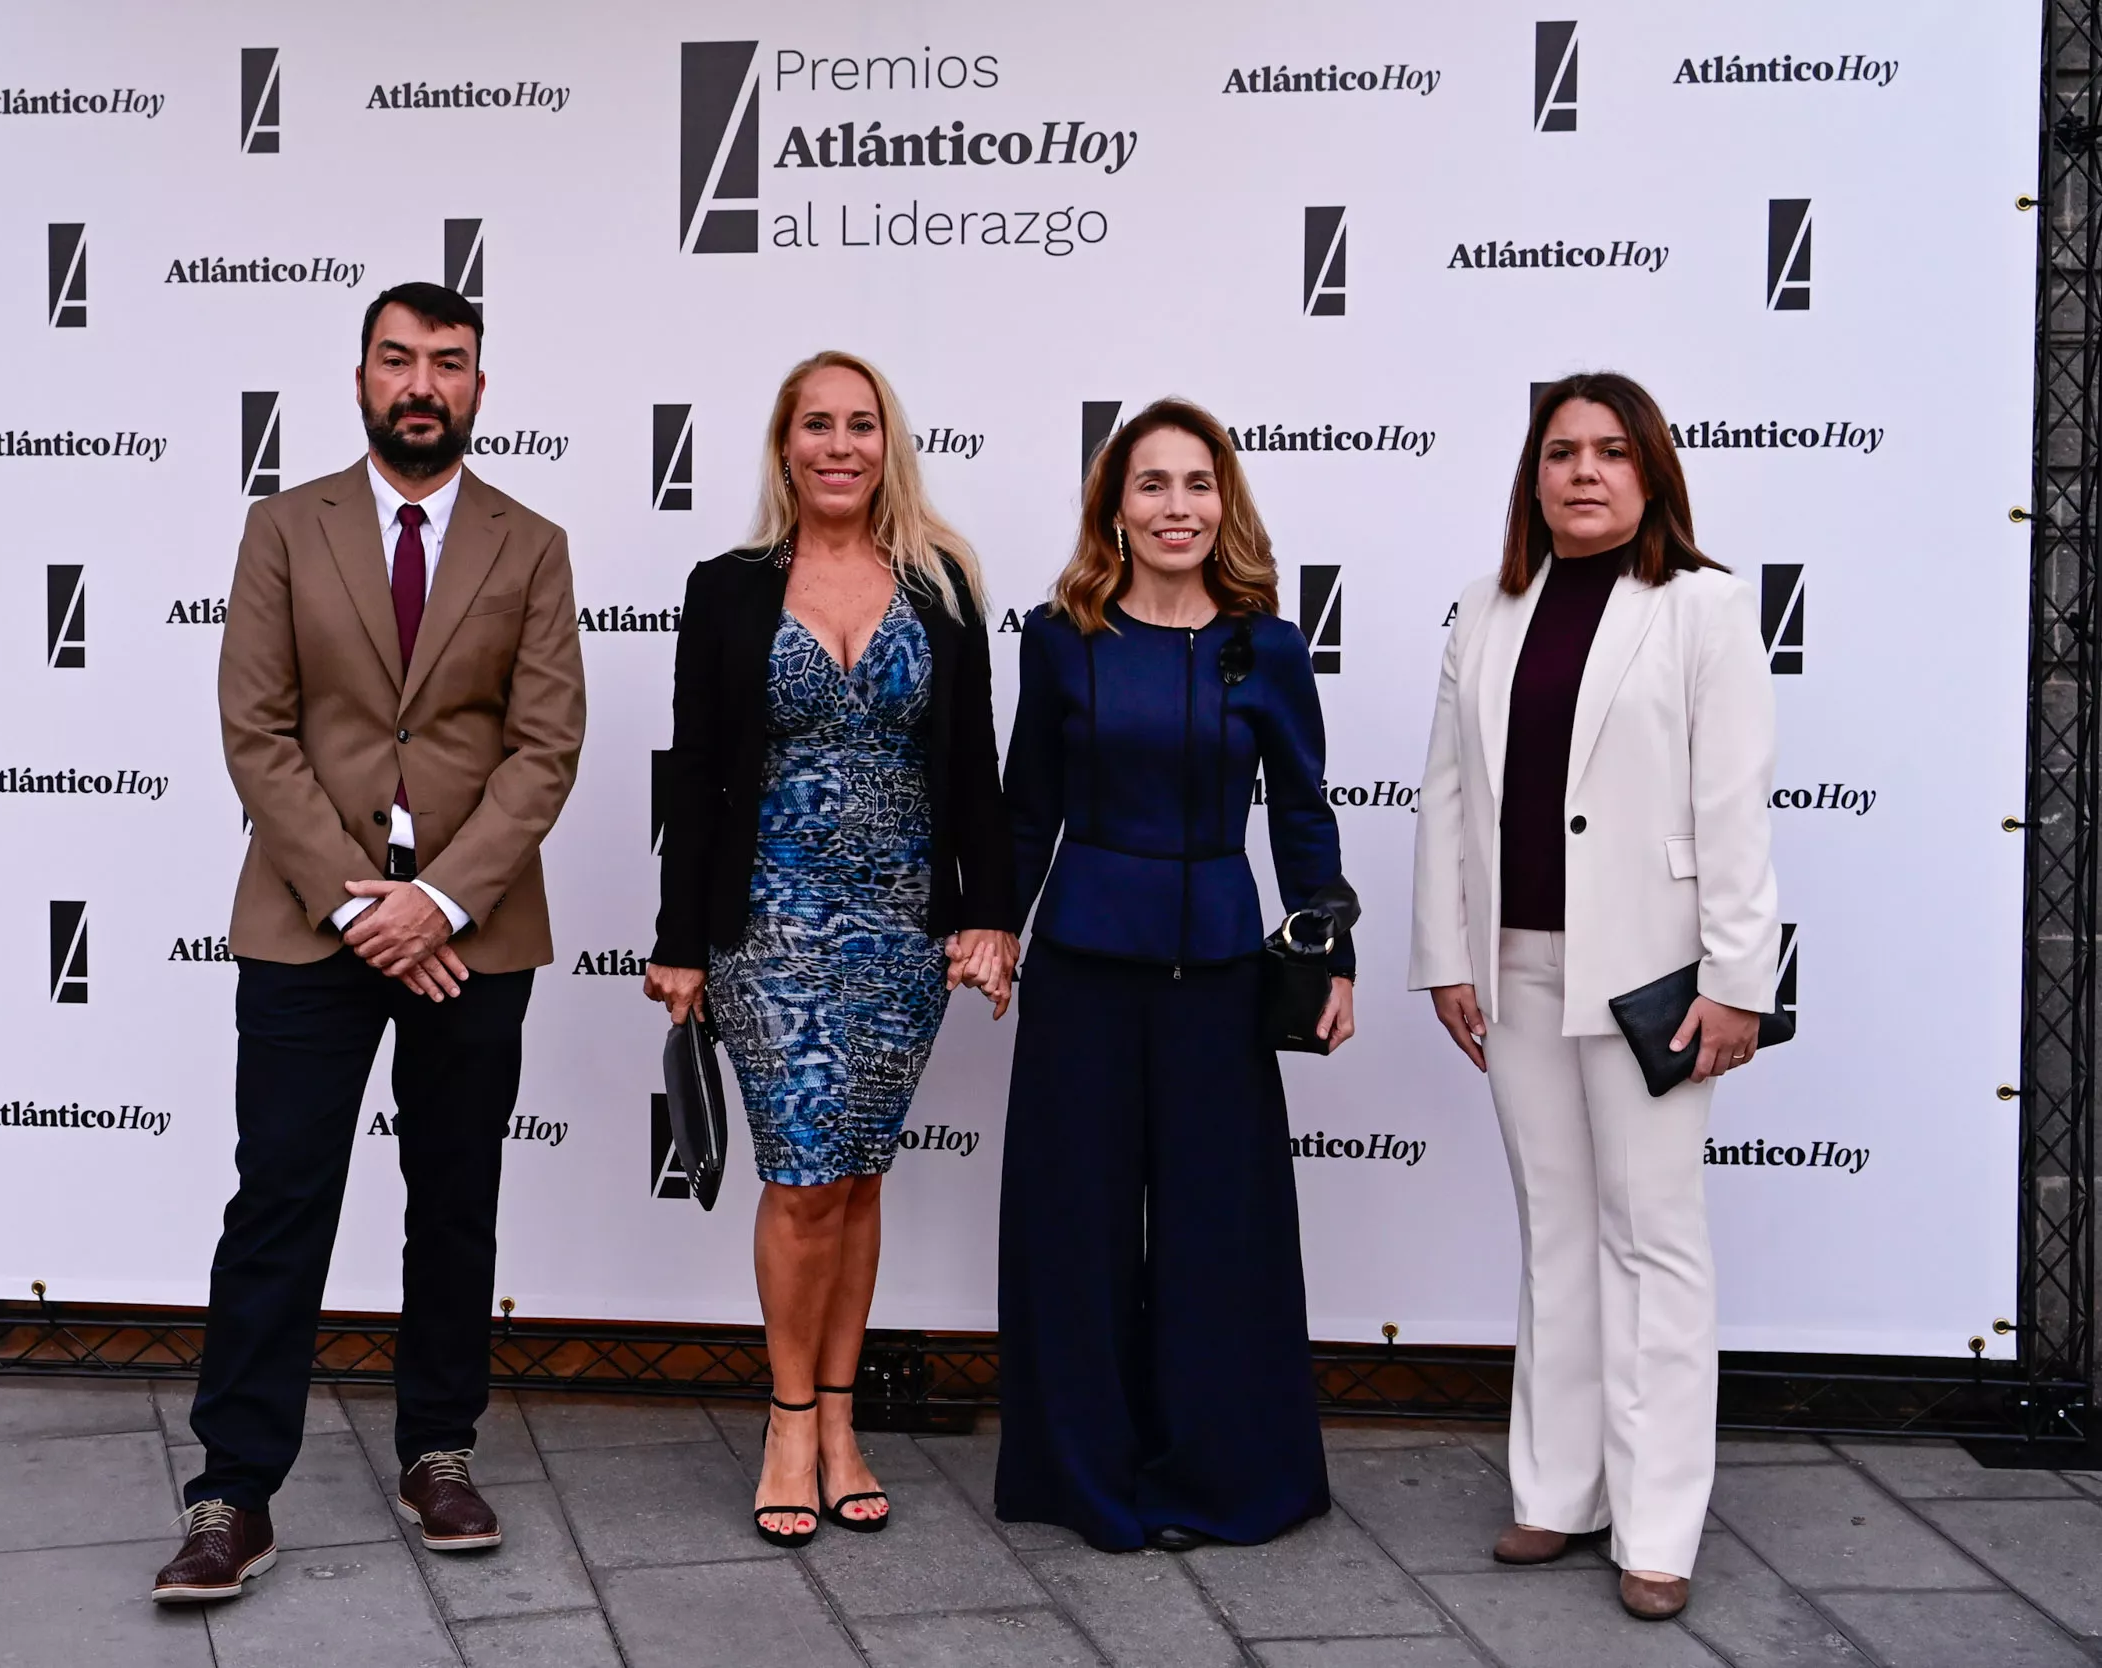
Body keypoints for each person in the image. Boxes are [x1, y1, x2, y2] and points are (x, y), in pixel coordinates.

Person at [153, 282, 585, 1603]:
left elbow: (544, 743)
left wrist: (438, 901)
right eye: (397, 358)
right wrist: (356, 903)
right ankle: (235, 1490)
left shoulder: (531, 542)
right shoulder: (285, 527)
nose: (421, 383)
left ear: (478, 389)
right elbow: (255, 728)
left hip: (471, 929)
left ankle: (438, 1452)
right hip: (305, 921)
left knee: (453, 1202)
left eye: (447, 364)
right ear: (358, 378)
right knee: (279, 1199)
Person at [1409, 372, 1779, 1622]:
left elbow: (1732, 809)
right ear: (1532, 476)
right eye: (1559, 452)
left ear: (1651, 472)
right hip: (1513, 967)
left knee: (1654, 1238)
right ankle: (1557, 1491)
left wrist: (1739, 985)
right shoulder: (1486, 604)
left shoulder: (1704, 609)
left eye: (1609, 452)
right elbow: (1447, 790)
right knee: (1555, 1230)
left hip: (1653, 979)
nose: (1581, 472)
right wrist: (1444, 955)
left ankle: (1658, 1520)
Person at [645, 350, 1015, 1545]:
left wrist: (988, 915)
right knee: (801, 1179)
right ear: (784, 446)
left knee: (857, 1178)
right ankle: (788, 1419)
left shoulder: (943, 583)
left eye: (862, 425)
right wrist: (680, 942)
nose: (840, 445)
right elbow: (693, 773)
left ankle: (843, 1419)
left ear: (887, 443)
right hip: (770, 925)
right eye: (818, 425)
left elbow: (975, 770)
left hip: (901, 932)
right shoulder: (728, 588)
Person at [995, 398, 1353, 1554]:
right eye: (1150, 485)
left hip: (1221, 981)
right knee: (1076, 1228)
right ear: (1114, 507)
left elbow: (1301, 810)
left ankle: (1215, 1477)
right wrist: (992, 926)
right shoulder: (1060, 638)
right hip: (1083, 974)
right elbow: (1026, 806)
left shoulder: (1270, 645)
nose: (1175, 508)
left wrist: (1328, 944)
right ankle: (1084, 1477)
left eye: (1196, 485)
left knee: (1218, 1231)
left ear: (1224, 502)